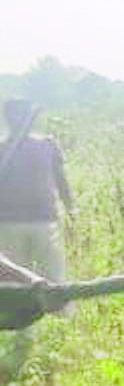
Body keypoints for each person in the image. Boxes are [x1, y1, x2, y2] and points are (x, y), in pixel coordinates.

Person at [0, 99, 73, 285]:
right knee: (16, 281)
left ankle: (52, 303)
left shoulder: (47, 145)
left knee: (51, 279)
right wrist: (70, 208)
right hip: (12, 224)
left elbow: (61, 181)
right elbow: (62, 181)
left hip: (42, 222)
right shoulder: (3, 149)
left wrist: (71, 209)